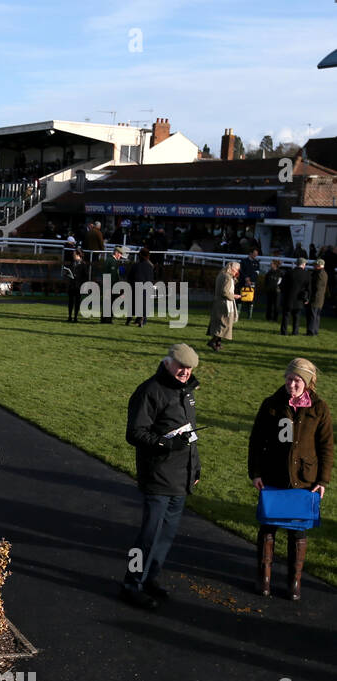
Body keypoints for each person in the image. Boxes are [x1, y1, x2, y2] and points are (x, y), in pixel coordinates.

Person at [121, 344, 202, 610]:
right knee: (148, 535)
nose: (185, 372)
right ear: (168, 363)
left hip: (180, 478)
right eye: (181, 367)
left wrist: (195, 468)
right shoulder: (150, 391)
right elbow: (135, 433)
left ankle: (150, 578)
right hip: (157, 476)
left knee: (166, 536)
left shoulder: (186, 392)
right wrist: (167, 445)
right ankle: (131, 584)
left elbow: (190, 436)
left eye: (189, 369)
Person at [248, 358, 332, 599]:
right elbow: (256, 441)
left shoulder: (319, 408)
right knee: (268, 528)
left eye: (297, 380)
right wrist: (255, 473)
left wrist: (323, 480)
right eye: (289, 379)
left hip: (305, 479)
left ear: (307, 383)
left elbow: (326, 446)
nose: (292, 384)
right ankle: (263, 578)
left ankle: (294, 582)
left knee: (298, 531)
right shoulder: (271, 404)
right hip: (273, 476)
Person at [206, 260, 241, 352]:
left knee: (219, 323)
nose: (237, 272)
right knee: (225, 324)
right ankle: (213, 342)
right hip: (225, 304)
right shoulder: (228, 277)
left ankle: (218, 343)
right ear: (233, 269)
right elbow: (225, 292)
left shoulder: (221, 275)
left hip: (218, 302)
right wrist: (234, 296)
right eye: (237, 269)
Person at [127, 247, 155, 327]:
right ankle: (141, 320)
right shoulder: (150, 266)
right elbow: (151, 279)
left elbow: (130, 277)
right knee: (143, 305)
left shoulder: (135, 265)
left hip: (136, 287)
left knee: (132, 305)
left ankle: (129, 320)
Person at [283, 260, 309, 336]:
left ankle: (284, 331)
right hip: (299, 299)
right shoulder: (307, 274)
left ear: (296, 264)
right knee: (297, 317)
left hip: (288, 298)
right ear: (303, 264)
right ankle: (295, 332)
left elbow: (283, 285)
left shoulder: (289, 272)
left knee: (286, 316)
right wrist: (307, 298)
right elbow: (309, 288)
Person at [64, 251, 89, 323]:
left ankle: (75, 317)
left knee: (77, 302)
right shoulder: (73, 263)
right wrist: (67, 274)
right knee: (70, 302)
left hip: (78, 286)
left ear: (78, 255)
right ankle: (69, 316)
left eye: (74, 254)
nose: (73, 256)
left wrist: (77, 278)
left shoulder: (83, 264)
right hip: (72, 285)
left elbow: (85, 276)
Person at [261, 260, 283, 328]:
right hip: (269, 291)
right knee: (269, 304)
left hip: (276, 291)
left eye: (272, 264)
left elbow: (281, 282)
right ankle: (268, 317)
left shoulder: (280, 273)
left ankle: (275, 318)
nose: (271, 264)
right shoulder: (269, 272)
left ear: (275, 265)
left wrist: (279, 288)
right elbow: (266, 281)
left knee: (276, 305)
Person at [309, 263, 327, 336]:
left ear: (319, 265)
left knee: (313, 315)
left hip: (316, 298)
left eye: (315, 265)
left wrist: (312, 297)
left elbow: (317, 287)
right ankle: (315, 331)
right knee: (317, 316)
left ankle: (311, 332)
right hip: (320, 298)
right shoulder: (324, 273)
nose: (313, 266)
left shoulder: (319, 274)